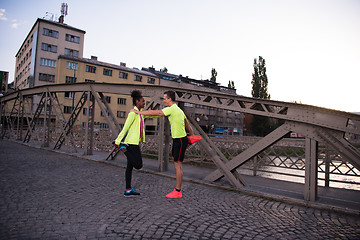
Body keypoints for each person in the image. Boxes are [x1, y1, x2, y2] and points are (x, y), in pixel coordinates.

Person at [131, 90, 194, 198]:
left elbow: (157, 113)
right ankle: (178, 190)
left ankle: (178, 191)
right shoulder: (179, 110)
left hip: (179, 140)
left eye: (165, 98)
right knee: (178, 164)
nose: (164, 100)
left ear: (170, 99)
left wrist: (139, 112)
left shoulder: (172, 109)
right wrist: (192, 136)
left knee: (177, 166)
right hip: (181, 139)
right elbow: (187, 124)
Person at [114, 90, 151, 197]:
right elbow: (125, 127)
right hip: (131, 143)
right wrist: (118, 140)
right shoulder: (133, 113)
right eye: (143, 101)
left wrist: (163, 113)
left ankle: (128, 190)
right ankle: (122, 148)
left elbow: (152, 115)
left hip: (134, 142)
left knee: (129, 167)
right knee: (138, 165)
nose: (144, 103)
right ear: (137, 101)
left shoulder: (140, 114)